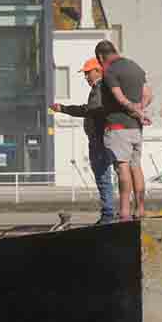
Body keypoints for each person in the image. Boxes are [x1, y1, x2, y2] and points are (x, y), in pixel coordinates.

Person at [51, 57, 115, 224]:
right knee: (105, 176)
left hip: (99, 139)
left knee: (102, 176)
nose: (86, 77)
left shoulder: (99, 88)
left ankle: (109, 214)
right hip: (100, 138)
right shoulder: (100, 88)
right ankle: (110, 212)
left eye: (88, 73)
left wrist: (63, 108)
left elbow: (88, 110)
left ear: (98, 71)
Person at [95, 40, 152, 221]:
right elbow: (148, 94)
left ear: (101, 57)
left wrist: (133, 109)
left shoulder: (110, 71)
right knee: (136, 166)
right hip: (136, 127)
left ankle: (125, 211)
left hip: (118, 126)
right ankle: (140, 209)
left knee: (123, 167)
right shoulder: (135, 67)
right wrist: (140, 110)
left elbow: (119, 97)